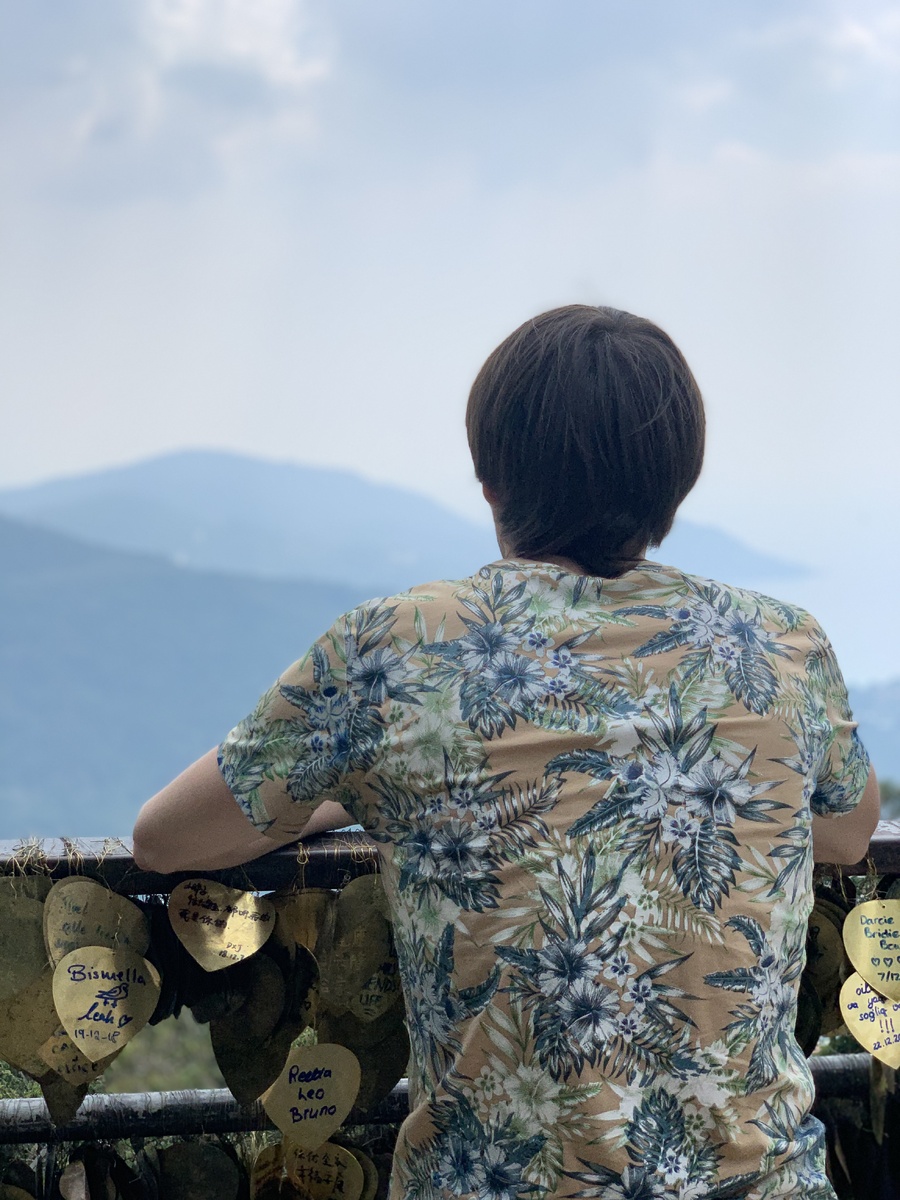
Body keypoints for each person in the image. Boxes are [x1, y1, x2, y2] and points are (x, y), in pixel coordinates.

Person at [133, 305, 880, 1200]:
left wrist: (356, 787)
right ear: (677, 483)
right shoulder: (783, 646)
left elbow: (164, 840)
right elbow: (848, 832)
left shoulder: (396, 646)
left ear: (490, 481)